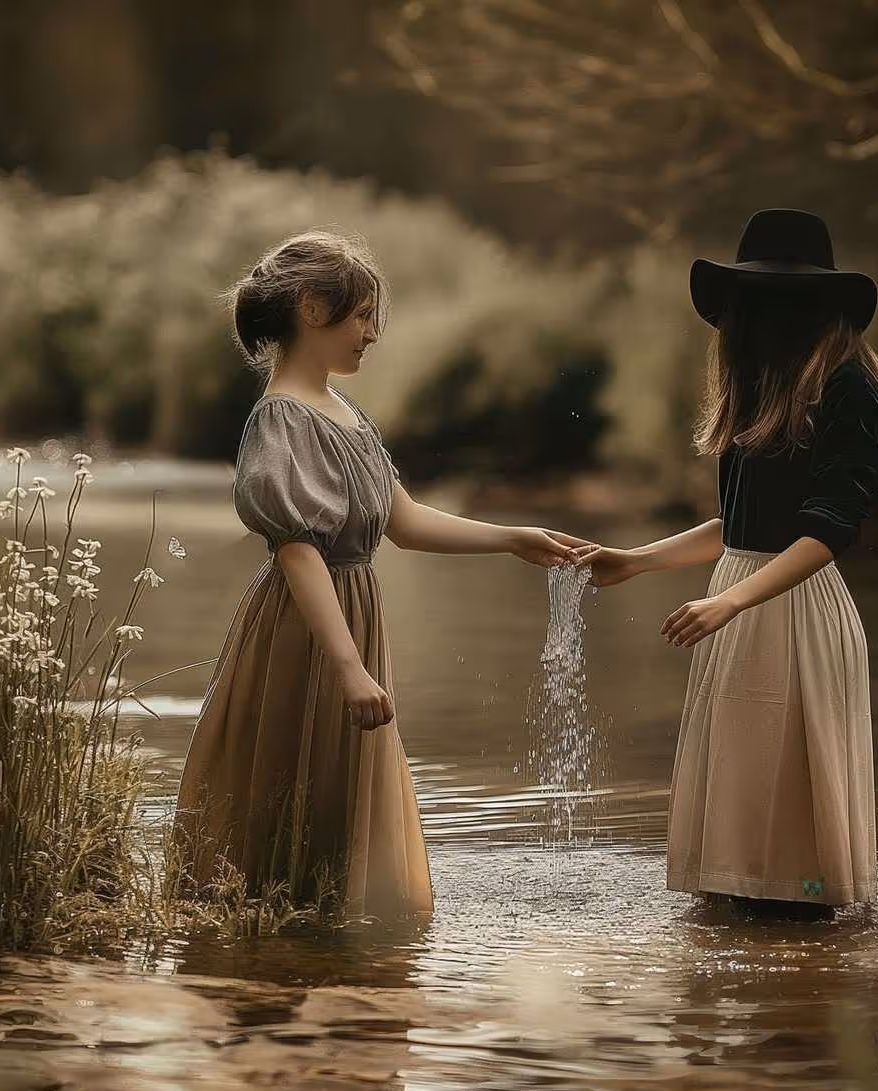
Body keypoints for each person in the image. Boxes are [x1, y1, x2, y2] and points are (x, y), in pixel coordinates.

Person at [172, 229, 595, 919]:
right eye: (362, 316)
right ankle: (273, 943)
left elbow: (404, 521)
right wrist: (348, 666)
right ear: (313, 309)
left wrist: (511, 539)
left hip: (351, 613)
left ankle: (324, 936)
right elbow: (298, 550)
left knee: (338, 783)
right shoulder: (282, 419)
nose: (371, 333)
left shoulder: (345, 413)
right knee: (295, 776)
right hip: (306, 625)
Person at [579, 209, 878, 913]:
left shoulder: (848, 385)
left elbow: (828, 531)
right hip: (740, 603)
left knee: (792, 835)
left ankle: (804, 933)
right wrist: (634, 560)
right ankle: (746, 934)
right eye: (752, 296)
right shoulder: (761, 383)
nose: (755, 315)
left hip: (795, 608)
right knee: (741, 830)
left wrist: (729, 602)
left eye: (778, 296)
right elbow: (741, 526)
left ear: (816, 302)